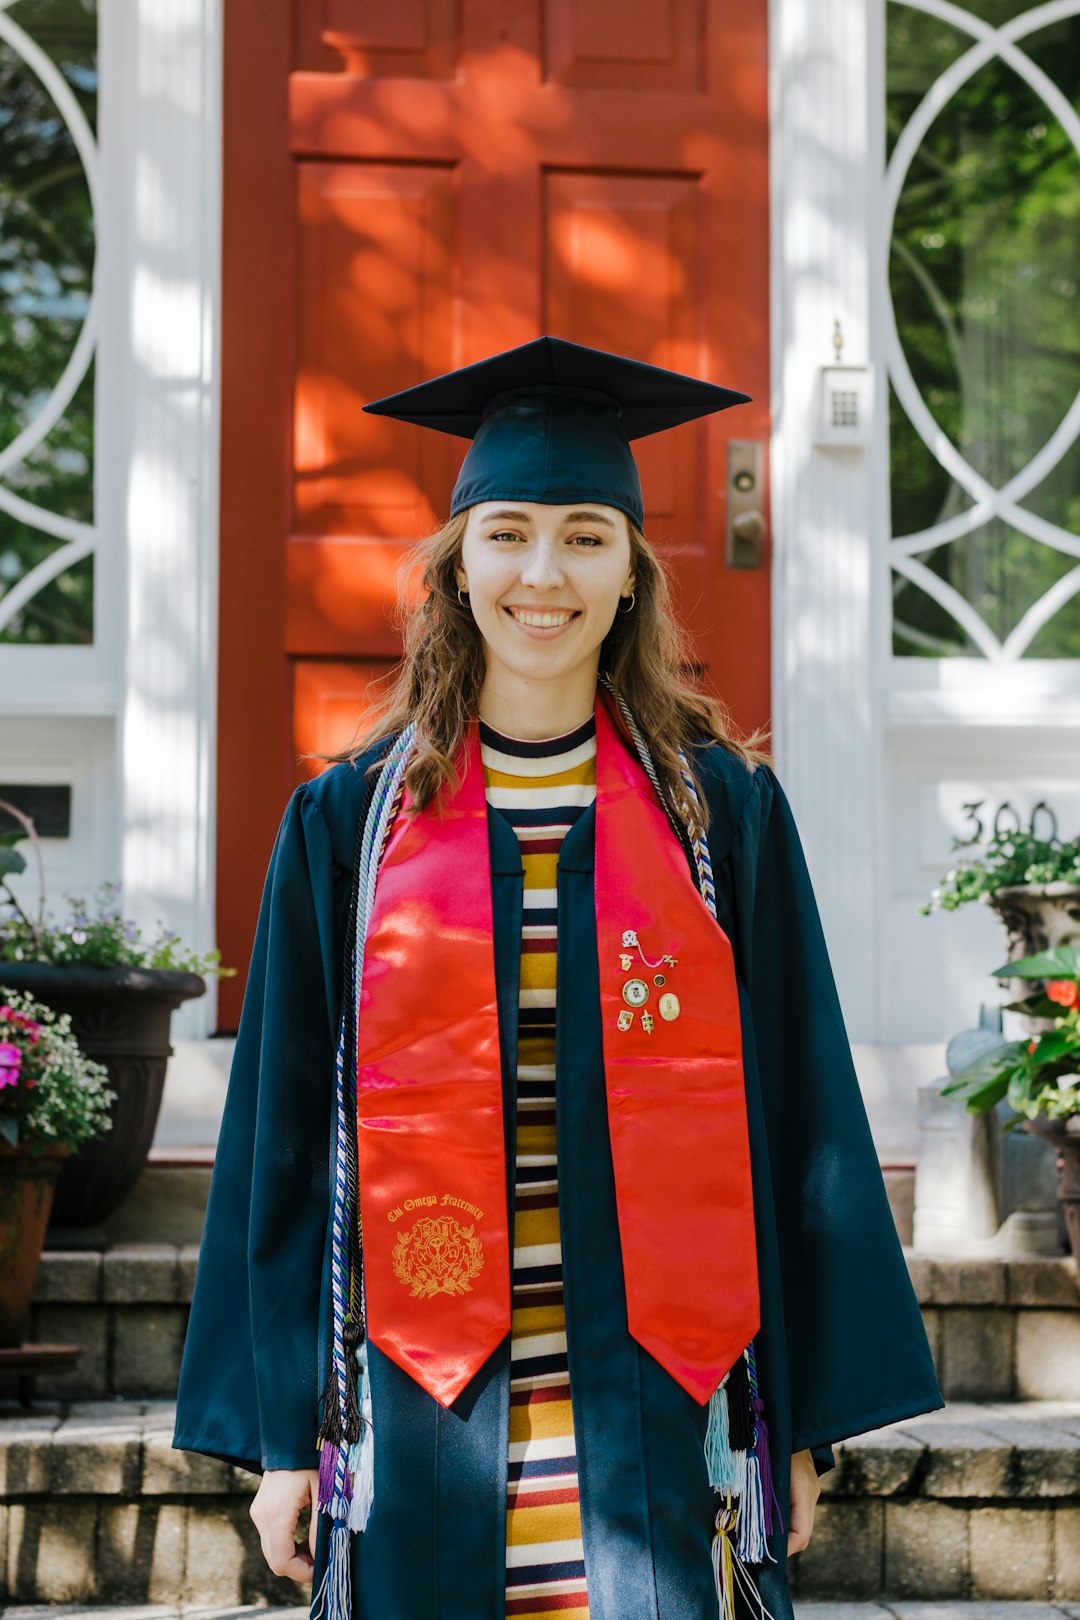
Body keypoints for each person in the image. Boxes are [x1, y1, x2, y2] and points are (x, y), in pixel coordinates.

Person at [172, 337, 945, 1620]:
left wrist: (797, 1423)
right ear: (456, 567)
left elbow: (803, 1117)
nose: (545, 574)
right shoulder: (344, 830)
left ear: (634, 575)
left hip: (659, 1394)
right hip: (424, 1405)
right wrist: (276, 1438)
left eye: (587, 537)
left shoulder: (723, 819)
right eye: (510, 535)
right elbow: (280, 1143)